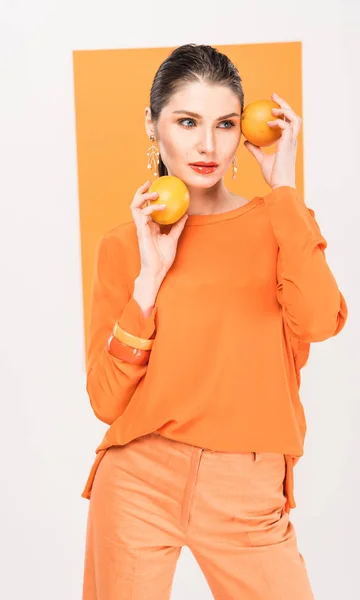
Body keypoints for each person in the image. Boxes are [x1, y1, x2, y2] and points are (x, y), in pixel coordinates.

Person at [81, 44, 348, 600]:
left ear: (243, 134)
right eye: (187, 122)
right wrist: (148, 285)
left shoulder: (278, 223)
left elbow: (322, 320)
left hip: (247, 490)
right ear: (153, 126)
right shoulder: (122, 247)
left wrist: (284, 191)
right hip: (137, 481)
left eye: (225, 124)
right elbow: (106, 402)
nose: (208, 145)